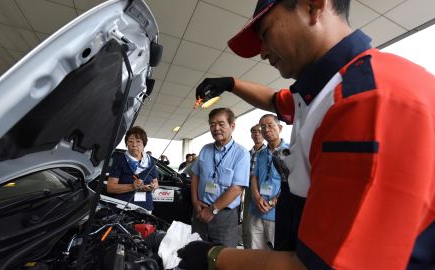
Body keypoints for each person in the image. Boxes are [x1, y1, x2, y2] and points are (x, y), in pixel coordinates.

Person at [177, 0, 435, 269]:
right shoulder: (320, 91)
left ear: (313, 6)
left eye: (265, 34)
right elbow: (275, 100)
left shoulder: (365, 101)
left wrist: (212, 255)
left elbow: (317, 265)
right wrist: (230, 84)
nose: (262, 52)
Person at [190, 107, 250, 247]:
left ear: (232, 126)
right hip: (200, 210)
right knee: (196, 252)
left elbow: (237, 188)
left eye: (221, 124)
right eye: (212, 124)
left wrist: (212, 210)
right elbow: (195, 176)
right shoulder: (205, 149)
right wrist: (195, 202)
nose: (216, 128)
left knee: (223, 257)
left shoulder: (241, 153)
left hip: (224, 216)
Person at [249, 114, 289, 250]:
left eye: (270, 125)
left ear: (280, 127)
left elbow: (292, 182)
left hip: (277, 213)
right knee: (257, 252)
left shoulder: (290, 152)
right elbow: (254, 177)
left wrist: (273, 202)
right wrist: (256, 197)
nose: (266, 130)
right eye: (263, 127)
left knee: (276, 253)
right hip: (257, 210)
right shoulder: (260, 154)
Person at [107, 126, 159, 212]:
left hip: (146, 206)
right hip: (124, 207)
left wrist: (153, 187)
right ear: (127, 144)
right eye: (130, 141)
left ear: (144, 144)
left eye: (138, 141)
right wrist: (132, 186)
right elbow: (110, 187)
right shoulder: (120, 160)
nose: (134, 145)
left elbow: (156, 183)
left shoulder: (150, 161)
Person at [241, 124, 266, 249]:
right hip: (248, 190)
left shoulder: (268, 153)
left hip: (264, 192)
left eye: (259, 131)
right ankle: (247, 249)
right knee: (247, 221)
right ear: (251, 135)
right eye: (254, 132)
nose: (257, 134)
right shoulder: (247, 153)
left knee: (260, 222)